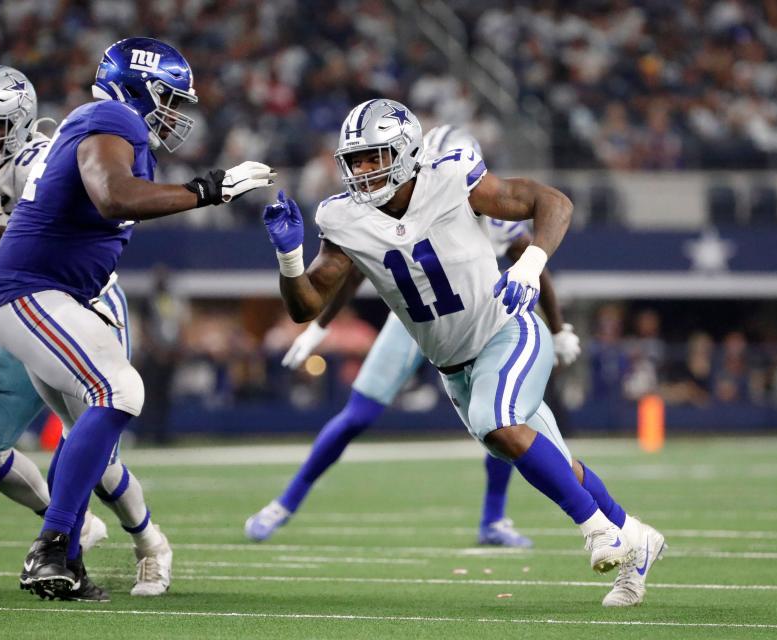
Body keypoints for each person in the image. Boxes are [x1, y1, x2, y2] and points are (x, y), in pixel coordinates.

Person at [261, 99, 664, 607]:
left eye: (374, 156)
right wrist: (289, 258)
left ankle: (596, 530)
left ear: (406, 152)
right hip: (453, 367)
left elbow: (553, 202)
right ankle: (635, 538)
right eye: (355, 159)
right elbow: (307, 304)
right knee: (551, 460)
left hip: (507, 332)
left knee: (498, 423)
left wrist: (530, 265)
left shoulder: (452, 178)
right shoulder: (342, 217)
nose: (362, 170)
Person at [0, 37, 275, 601]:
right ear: (140, 86)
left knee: (89, 424)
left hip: (49, 293)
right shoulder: (114, 117)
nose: (176, 112)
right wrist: (205, 190)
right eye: (170, 97)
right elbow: (114, 196)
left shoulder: (105, 124)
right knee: (119, 388)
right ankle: (53, 546)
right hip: (33, 292)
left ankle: (71, 555)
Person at [0, 65, 175, 599]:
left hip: (79, 302)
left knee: (99, 453)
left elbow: (39, 247)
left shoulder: (44, 158)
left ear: (19, 124)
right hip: (22, 309)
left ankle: (149, 544)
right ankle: (72, 524)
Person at [246, 125, 582, 546]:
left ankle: (494, 518)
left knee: (502, 416)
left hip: (479, 322)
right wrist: (318, 327)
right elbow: (351, 270)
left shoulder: (481, 198)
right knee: (359, 414)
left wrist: (558, 326)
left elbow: (534, 257)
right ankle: (285, 503)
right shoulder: (384, 205)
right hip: (414, 322)